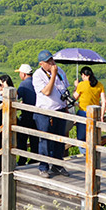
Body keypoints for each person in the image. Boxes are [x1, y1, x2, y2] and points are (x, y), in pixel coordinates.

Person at [31, 50, 70, 178]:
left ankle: (57, 165)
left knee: (60, 139)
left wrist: (66, 106)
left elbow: (64, 89)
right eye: (48, 61)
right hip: (44, 112)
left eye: (52, 60)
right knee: (45, 140)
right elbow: (47, 92)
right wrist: (53, 75)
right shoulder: (37, 75)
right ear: (41, 64)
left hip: (60, 110)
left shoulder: (61, 72)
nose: (52, 63)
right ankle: (43, 167)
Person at [74, 65, 106, 144]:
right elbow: (104, 101)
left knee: (81, 137)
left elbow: (74, 97)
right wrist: (101, 115)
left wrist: (76, 87)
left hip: (83, 112)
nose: (82, 77)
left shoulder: (81, 85)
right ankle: (92, 150)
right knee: (93, 136)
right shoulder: (100, 85)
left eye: (82, 75)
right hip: (95, 113)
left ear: (85, 75)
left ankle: (85, 151)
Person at [15, 63, 38, 160]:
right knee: (35, 139)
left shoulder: (24, 84)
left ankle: (22, 159)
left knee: (22, 138)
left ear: (23, 74)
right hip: (37, 115)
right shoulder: (36, 82)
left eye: (20, 73)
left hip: (27, 115)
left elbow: (16, 97)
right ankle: (34, 158)